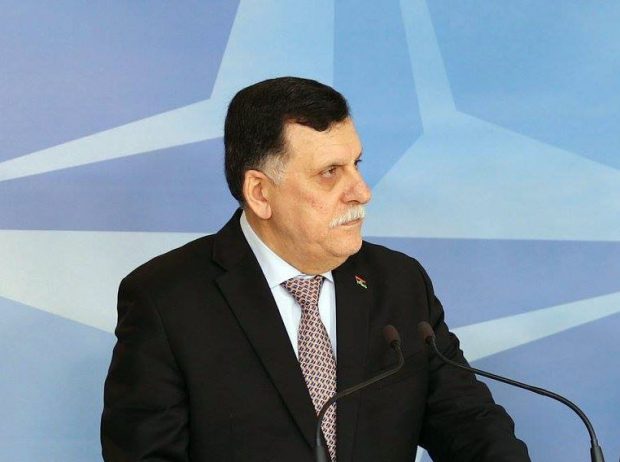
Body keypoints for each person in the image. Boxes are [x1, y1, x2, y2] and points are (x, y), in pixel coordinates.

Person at [101, 77, 530, 461]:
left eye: (356, 165)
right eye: (329, 173)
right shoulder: (165, 299)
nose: (361, 192)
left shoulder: (400, 283)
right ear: (260, 192)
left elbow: (469, 424)